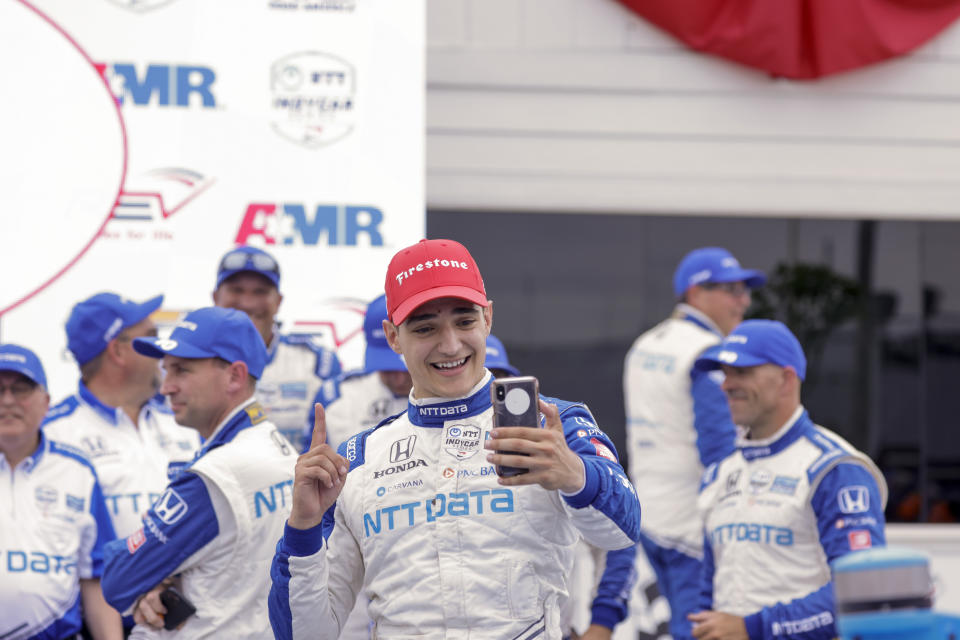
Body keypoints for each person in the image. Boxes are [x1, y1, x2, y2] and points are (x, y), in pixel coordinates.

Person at [269, 238, 642, 639]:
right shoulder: (360, 458)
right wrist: (303, 525)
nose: (450, 345)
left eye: (464, 322)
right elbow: (303, 633)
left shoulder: (551, 425)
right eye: (426, 328)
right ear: (393, 337)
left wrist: (577, 475)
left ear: (488, 318)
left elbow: (622, 533)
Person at [100, 307, 299, 638]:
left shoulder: (217, 474)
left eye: (180, 371)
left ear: (235, 376)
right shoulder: (277, 448)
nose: (166, 387)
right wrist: (166, 574)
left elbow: (119, 578)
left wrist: (157, 571)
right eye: (165, 371)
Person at [691, 320, 887, 640]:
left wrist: (753, 628)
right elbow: (709, 598)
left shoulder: (834, 468)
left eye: (742, 372)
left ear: (786, 380)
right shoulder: (719, 473)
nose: (726, 384)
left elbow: (862, 588)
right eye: (725, 373)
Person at [623, 247, 765, 640]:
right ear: (696, 292)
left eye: (744, 290)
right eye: (732, 290)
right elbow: (720, 450)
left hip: (646, 519)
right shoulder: (707, 353)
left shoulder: (643, 346)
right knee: (701, 632)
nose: (744, 301)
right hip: (693, 528)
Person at [44, 292, 200, 539]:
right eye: (151, 338)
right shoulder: (52, 433)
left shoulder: (187, 423)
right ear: (117, 351)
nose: (162, 350)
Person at [0, 344, 122, 640]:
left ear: (46, 403)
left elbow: (95, 575)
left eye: (21, 389)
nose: (7, 401)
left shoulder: (77, 471)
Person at [213, 245, 342, 449]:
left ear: (279, 301)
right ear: (215, 297)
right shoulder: (186, 363)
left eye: (260, 292)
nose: (247, 303)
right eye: (236, 291)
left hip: (296, 480)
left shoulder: (317, 363)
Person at [302, 293, 412, 453]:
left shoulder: (456, 391)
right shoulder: (336, 395)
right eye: (386, 368)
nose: (399, 380)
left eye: (406, 368)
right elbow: (310, 460)